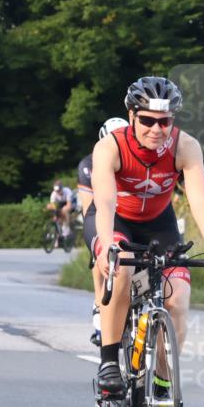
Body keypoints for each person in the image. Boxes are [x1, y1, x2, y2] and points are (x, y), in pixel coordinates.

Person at [87, 76, 204, 403]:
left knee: (177, 299)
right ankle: (109, 361)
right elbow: (105, 201)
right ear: (132, 116)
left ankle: (162, 389)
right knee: (118, 269)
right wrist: (107, 244)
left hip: (158, 224)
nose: (156, 129)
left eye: (164, 121)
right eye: (147, 120)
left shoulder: (185, 146)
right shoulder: (110, 147)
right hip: (115, 219)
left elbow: (200, 198)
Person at [78, 117, 129, 347]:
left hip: (129, 215)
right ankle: (100, 302)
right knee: (102, 254)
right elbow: (89, 204)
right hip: (101, 210)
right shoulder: (90, 164)